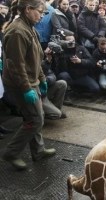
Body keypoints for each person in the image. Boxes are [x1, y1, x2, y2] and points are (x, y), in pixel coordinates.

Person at [1, 0, 56, 170]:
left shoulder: (28, 26)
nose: (42, 16)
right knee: (35, 120)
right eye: (40, 12)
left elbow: (35, 58)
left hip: (32, 81)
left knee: (35, 116)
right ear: (28, 9)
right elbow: (15, 65)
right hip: (21, 83)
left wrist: (42, 79)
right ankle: (11, 152)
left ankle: (38, 151)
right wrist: (26, 88)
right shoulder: (18, 31)